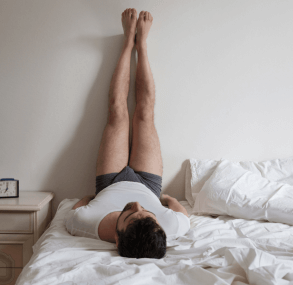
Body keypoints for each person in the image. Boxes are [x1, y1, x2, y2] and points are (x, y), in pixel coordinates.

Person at [65, 8, 190, 259]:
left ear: (116, 238)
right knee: (144, 113)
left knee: (117, 113)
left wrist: (92, 197)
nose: (137, 205)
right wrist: (164, 199)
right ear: (159, 226)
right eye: (147, 213)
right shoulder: (170, 228)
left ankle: (127, 41)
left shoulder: (87, 224)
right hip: (149, 184)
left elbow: (76, 210)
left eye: (130, 213)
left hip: (109, 182)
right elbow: (181, 214)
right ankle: (141, 44)